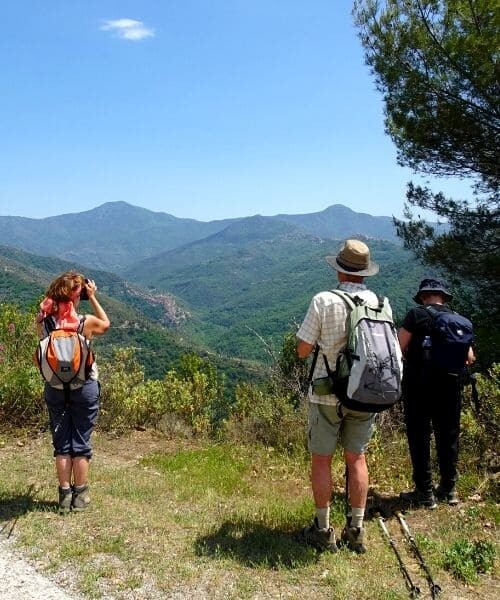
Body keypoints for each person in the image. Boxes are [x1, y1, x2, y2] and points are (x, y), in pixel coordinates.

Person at [296, 239, 388, 554]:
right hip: (365, 393)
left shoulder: (323, 300)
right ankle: (356, 529)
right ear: (365, 272)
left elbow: (302, 350)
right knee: (357, 458)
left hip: (326, 395)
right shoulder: (380, 302)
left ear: (339, 270)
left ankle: (322, 530)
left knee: (322, 459)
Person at [36, 271, 110, 514]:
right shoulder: (84, 322)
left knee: (61, 443)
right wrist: (94, 297)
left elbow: (41, 353)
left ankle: (64, 495)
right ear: (77, 297)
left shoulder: (44, 322)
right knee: (80, 442)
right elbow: (105, 324)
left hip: (55, 388)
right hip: (84, 386)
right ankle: (80, 496)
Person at [398, 278, 474, 508]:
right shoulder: (457, 320)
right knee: (448, 436)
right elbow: (470, 358)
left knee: (419, 436)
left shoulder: (415, 315)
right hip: (450, 387)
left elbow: (398, 347)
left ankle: (425, 492)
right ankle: (449, 490)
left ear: (423, 296)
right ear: (443, 296)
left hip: (419, 386)